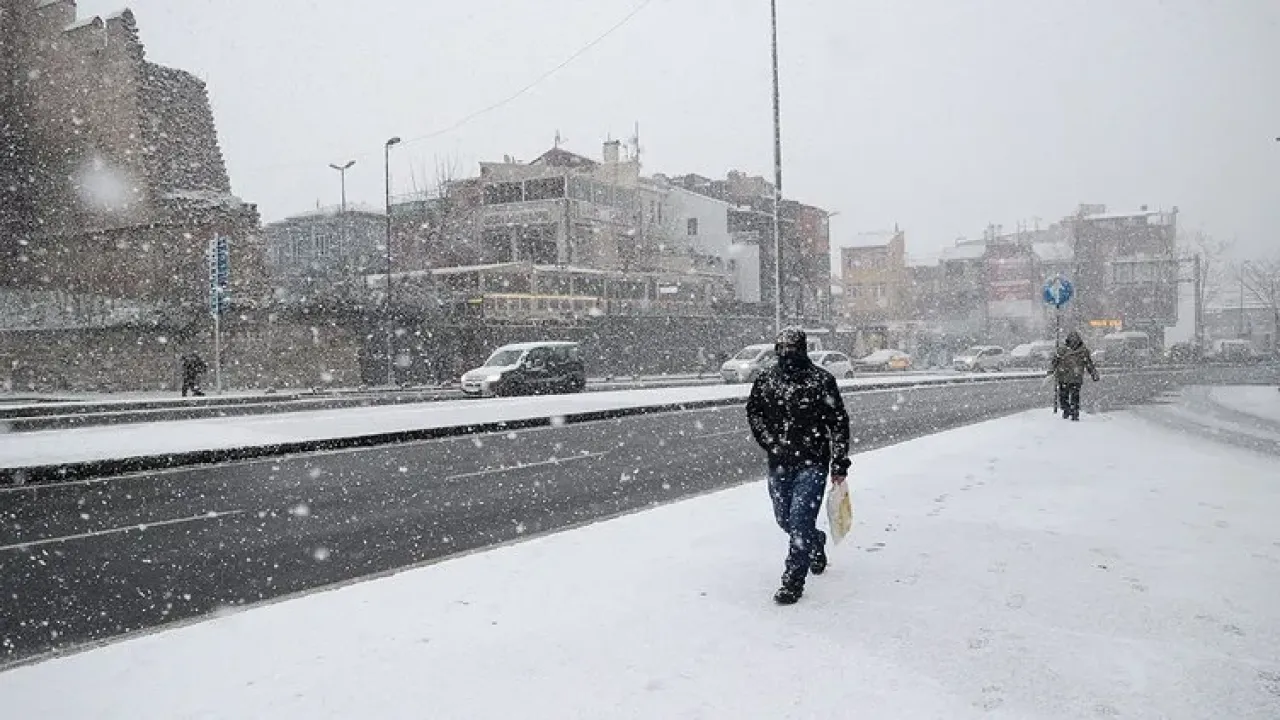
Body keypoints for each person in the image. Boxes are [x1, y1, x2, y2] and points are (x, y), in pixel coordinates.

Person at [746, 328, 851, 605]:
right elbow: (754, 412)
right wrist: (769, 441)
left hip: (813, 461)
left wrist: (839, 461)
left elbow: (838, 422)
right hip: (779, 463)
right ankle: (816, 541)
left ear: (802, 348)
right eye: (781, 346)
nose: (786, 352)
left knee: (801, 519)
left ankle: (793, 580)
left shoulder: (821, 380)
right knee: (785, 519)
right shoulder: (766, 380)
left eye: (792, 346)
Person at [1049, 330, 1099, 421]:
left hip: (1076, 378)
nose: (1074, 342)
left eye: (1075, 340)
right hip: (1063, 377)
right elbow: (1054, 362)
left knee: (1075, 397)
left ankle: (1075, 413)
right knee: (1063, 397)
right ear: (1068, 341)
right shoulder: (1061, 350)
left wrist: (1093, 373)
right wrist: (1051, 371)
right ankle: (1067, 410)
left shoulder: (1083, 351)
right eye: (1072, 340)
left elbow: (1089, 364)